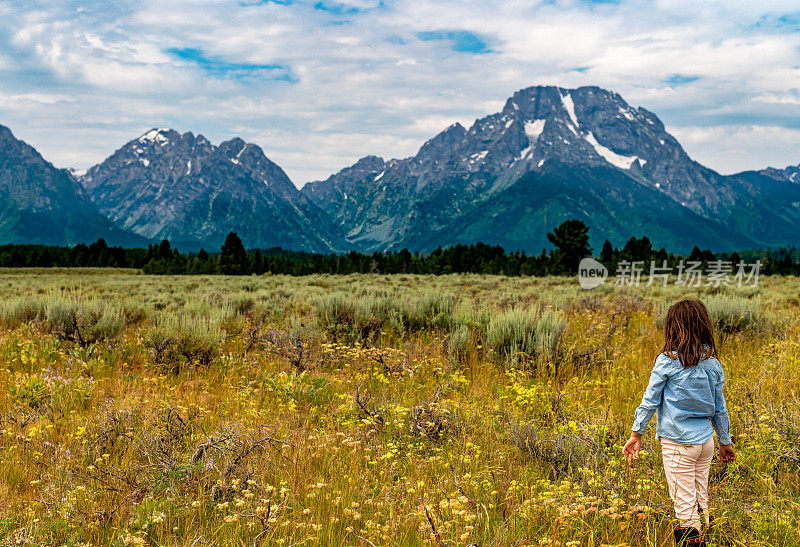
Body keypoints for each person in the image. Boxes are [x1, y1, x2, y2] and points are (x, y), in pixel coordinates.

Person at [623, 298, 735, 546]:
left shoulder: (667, 361)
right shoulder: (713, 365)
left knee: (684, 506)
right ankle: (709, 538)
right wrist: (725, 442)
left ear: (672, 328)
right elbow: (720, 409)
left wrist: (636, 434)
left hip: (677, 444)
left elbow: (649, 400)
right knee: (699, 497)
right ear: (703, 326)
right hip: (705, 443)